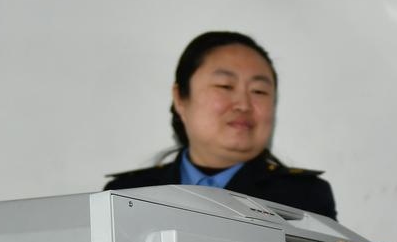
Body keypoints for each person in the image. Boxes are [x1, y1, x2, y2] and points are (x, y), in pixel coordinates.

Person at [105, 31, 337, 218]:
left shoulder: (303, 198)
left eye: (259, 91)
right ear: (180, 98)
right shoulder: (127, 194)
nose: (243, 105)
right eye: (225, 86)